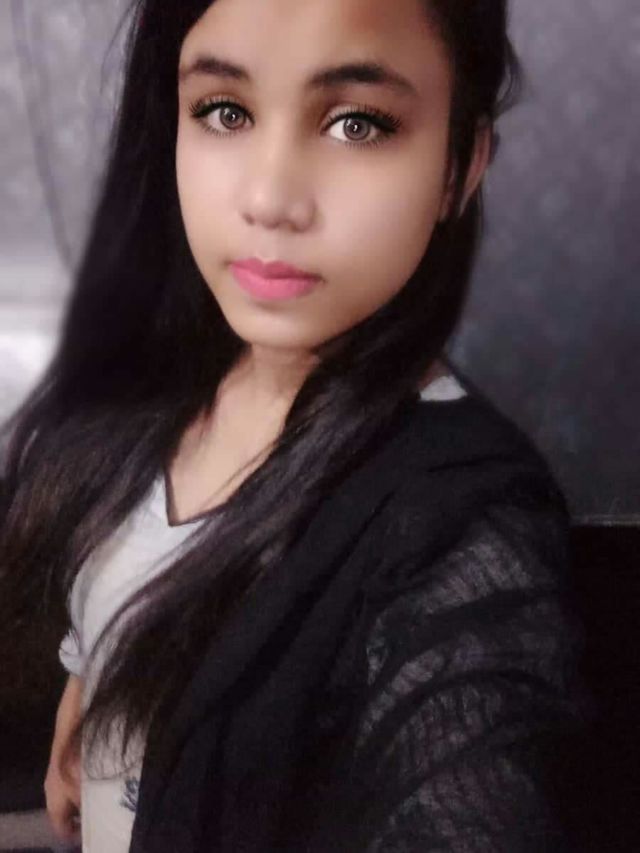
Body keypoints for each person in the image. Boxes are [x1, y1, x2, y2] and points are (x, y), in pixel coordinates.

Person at [0, 0, 593, 850]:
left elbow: (469, 767)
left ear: (460, 167)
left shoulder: (463, 522)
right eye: (224, 112)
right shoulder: (175, 383)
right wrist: (94, 669)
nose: (270, 199)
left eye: (357, 124)